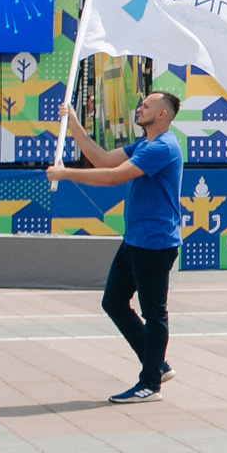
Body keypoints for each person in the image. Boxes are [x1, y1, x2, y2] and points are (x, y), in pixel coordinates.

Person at [54, 90, 185, 404]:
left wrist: (65, 173)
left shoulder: (163, 147)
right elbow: (101, 159)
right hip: (135, 240)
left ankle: (150, 383)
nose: (140, 109)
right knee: (113, 302)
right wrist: (73, 124)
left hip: (155, 243)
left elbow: (114, 177)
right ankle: (156, 364)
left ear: (163, 115)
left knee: (154, 313)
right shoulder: (144, 144)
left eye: (147, 105)